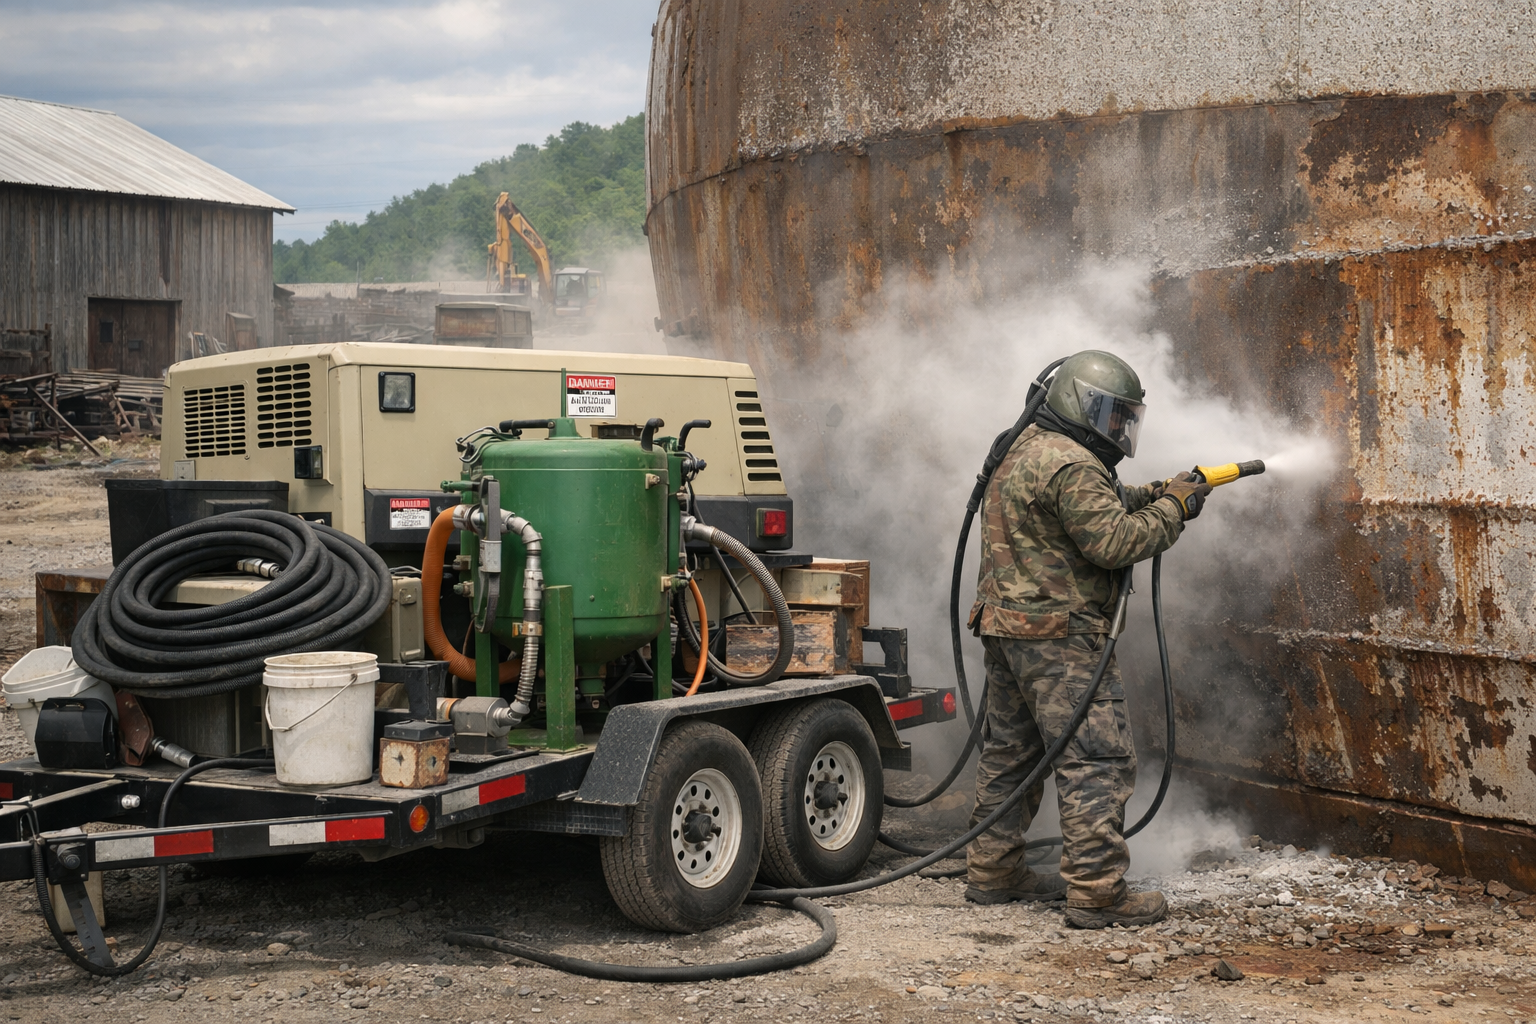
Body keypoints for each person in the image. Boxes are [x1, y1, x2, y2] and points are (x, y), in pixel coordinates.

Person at [962, 349, 1211, 928]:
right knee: (1095, 758)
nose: (1120, 428)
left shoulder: (1024, 447)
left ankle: (993, 872)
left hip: (1008, 628)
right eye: (1113, 415)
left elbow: (1092, 508)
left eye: (1127, 417)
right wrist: (1173, 512)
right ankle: (1098, 892)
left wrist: (1160, 493)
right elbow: (1114, 542)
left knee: (1012, 756)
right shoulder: (1072, 463)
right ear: (1081, 403)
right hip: (1059, 638)